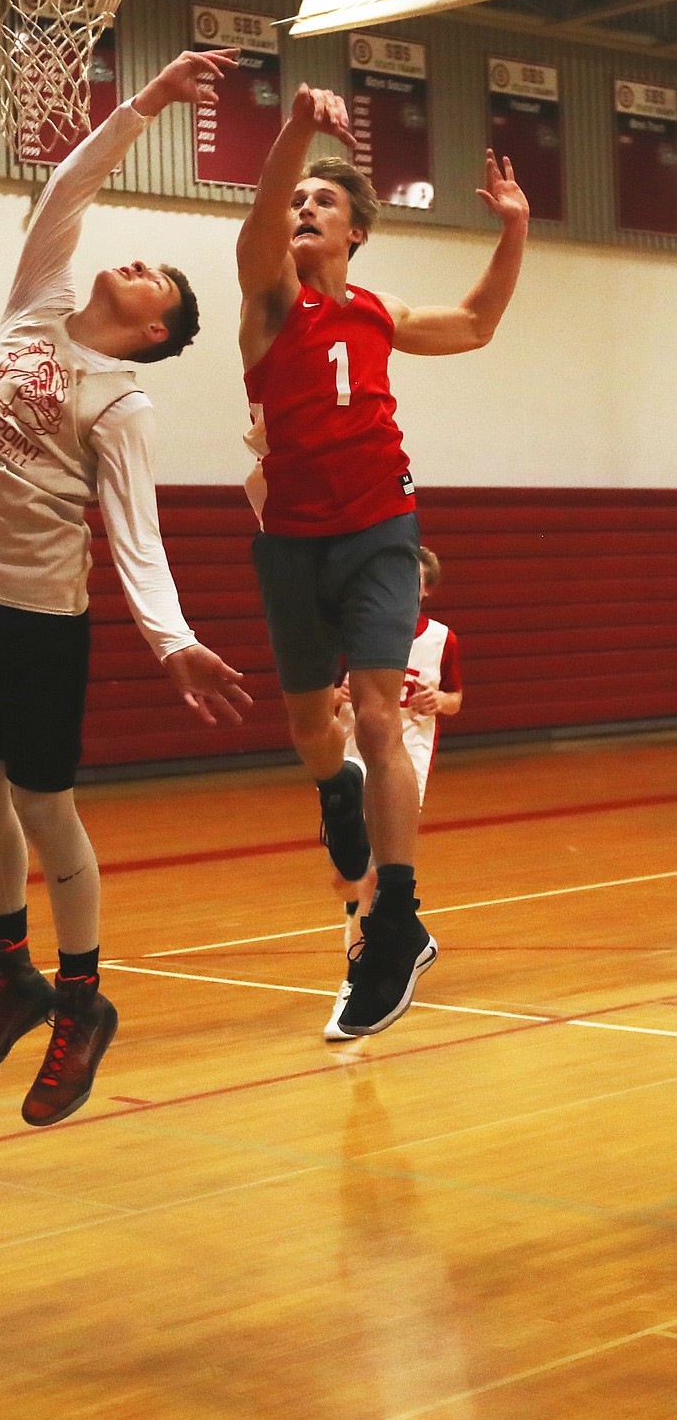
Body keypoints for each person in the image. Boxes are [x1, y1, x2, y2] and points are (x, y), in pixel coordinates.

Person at [0, 47, 252, 1129]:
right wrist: (149, 101)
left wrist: (172, 642)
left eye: (158, 276)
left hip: (36, 622)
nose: (137, 262)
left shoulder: (121, 403)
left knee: (42, 804)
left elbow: (135, 538)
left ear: (156, 330)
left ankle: (80, 999)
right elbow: (68, 188)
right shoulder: (38, 304)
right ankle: (10, 973)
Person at [237, 84, 528, 1037]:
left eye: (321, 201)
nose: (302, 210)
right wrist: (295, 133)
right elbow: (260, 225)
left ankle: (395, 918)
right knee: (312, 732)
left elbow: (479, 325)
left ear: (358, 230)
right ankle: (336, 795)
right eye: (295, 202)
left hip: (380, 527)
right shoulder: (270, 299)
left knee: (373, 710)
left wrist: (513, 231)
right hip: (292, 540)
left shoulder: (378, 308)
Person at [325, 543, 462, 1039]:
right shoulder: (360, 631)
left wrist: (440, 699)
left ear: (425, 588)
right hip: (354, 752)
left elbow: (455, 699)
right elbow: (329, 692)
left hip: (407, 757)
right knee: (350, 872)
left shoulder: (443, 640)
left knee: (375, 873)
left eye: (414, 579)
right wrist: (334, 695)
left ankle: (357, 973)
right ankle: (369, 957)